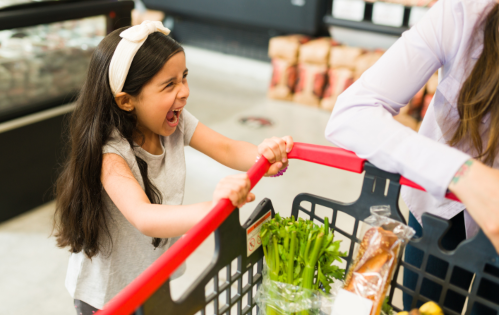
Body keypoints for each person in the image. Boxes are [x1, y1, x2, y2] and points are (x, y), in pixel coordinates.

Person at [52, 21, 294, 314]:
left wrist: (266, 157)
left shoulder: (175, 122)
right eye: (169, 84)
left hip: (152, 278)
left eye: (184, 77)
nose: (184, 92)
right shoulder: (111, 154)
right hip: (108, 296)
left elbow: (227, 149)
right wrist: (216, 206)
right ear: (127, 101)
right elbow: (145, 217)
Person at [325, 0, 499, 311]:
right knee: (425, 304)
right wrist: (461, 173)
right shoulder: (463, 13)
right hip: (443, 209)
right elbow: (351, 114)